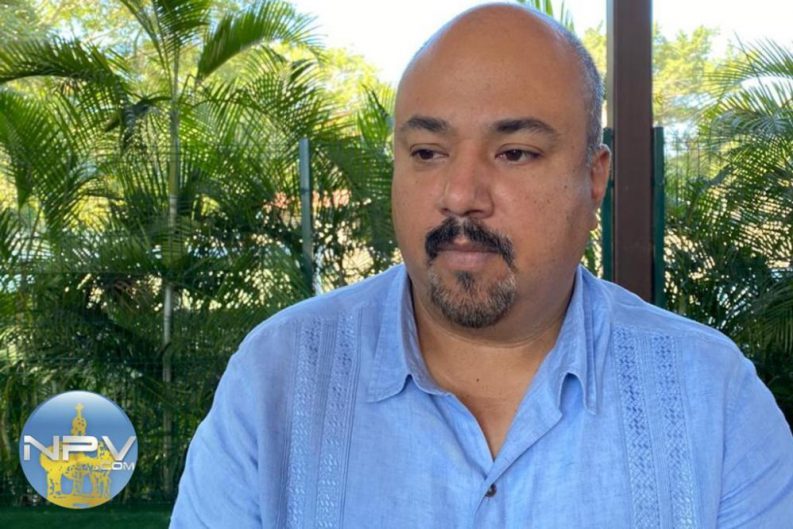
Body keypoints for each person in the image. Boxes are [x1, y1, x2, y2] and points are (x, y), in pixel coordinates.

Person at [170, 4, 793, 528]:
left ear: (594, 177)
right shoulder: (278, 380)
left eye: (515, 152)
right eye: (427, 152)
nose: (460, 193)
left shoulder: (710, 398)